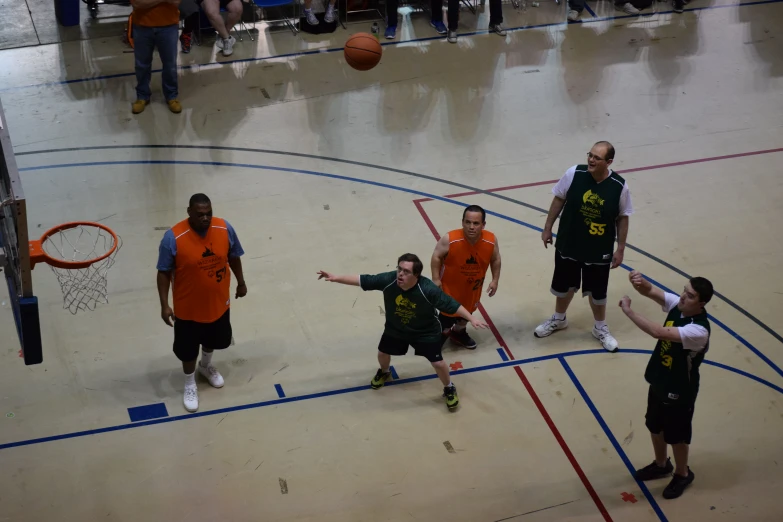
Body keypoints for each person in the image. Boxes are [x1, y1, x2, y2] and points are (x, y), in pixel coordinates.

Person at [318, 253, 488, 410]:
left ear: (416, 275)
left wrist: (472, 319)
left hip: (425, 332)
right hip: (396, 328)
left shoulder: (428, 289)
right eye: (399, 269)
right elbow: (363, 279)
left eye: (406, 271)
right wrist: (335, 277)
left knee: (437, 363)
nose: (400, 274)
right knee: (382, 353)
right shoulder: (390, 280)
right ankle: (385, 372)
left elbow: (453, 305)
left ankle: (449, 387)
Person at [534, 141, 633, 352]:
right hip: (569, 242)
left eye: (597, 158)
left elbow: (623, 218)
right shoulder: (574, 173)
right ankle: (559, 319)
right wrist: (547, 227)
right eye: (590, 155)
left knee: (597, 291)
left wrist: (621, 248)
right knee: (564, 285)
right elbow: (559, 198)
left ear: (609, 162)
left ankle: (600, 328)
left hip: (599, 248)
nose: (591, 160)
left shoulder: (619, 186)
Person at [621, 270, 713, 499]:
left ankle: (682, 474)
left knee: (677, 436)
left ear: (701, 303)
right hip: (661, 378)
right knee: (655, 425)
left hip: (680, 389)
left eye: (690, 295)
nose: (683, 296)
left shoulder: (698, 330)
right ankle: (662, 464)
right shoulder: (678, 305)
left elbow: (658, 332)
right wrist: (640, 282)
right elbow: (651, 290)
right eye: (684, 290)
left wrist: (629, 311)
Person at [156, 193, 247, 412]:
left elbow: (234, 256)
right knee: (187, 350)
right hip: (187, 309)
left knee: (215, 339)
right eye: (200, 214)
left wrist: (241, 282)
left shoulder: (224, 228)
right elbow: (163, 272)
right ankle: (189, 383)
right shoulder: (173, 237)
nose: (205, 218)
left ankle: (205, 366)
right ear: (189, 212)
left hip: (218, 304)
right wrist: (164, 305)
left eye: (209, 213)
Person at [430, 205, 501, 349]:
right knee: (447, 316)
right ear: (462, 222)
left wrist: (495, 280)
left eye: (476, 223)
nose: (471, 227)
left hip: (473, 288)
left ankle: (458, 333)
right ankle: (440, 334)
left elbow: (496, 259)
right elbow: (436, 256)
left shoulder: (491, 240)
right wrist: (436, 278)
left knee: (467, 313)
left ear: (483, 225)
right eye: (468, 222)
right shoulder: (450, 239)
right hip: (450, 288)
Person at [130, 0, 182, 114]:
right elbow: (137, 4)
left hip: (169, 26)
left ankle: (171, 96)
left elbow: (176, 2)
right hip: (142, 26)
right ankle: (142, 96)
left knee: (170, 64)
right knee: (142, 64)